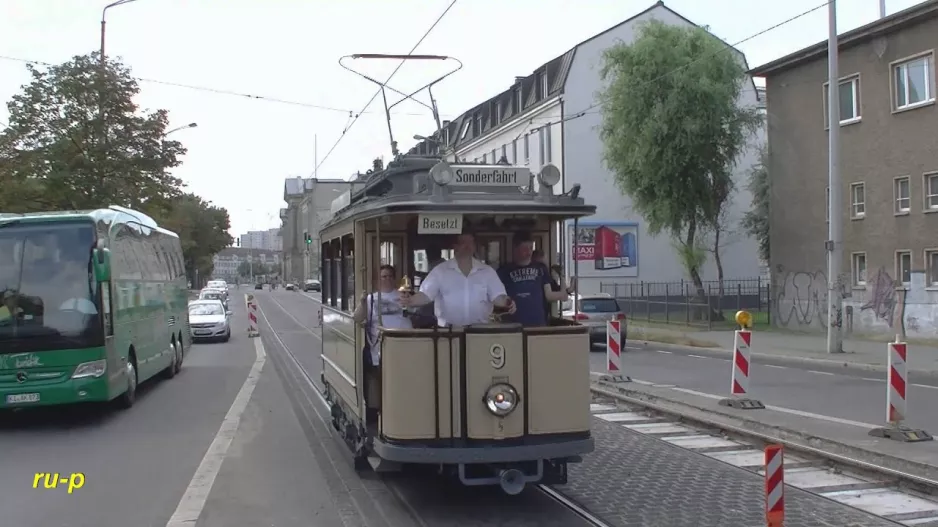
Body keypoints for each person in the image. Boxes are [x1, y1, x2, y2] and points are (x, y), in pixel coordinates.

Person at [400, 231, 515, 325]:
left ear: (475, 246)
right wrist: (410, 300)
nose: (467, 246)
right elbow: (425, 295)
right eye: (463, 242)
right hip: (448, 334)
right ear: (455, 247)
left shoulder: (487, 272)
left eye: (471, 242)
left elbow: (498, 297)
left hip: (480, 333)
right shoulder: (440, 271)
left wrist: (508, 302)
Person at [498, 233, 574, 327]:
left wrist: (563, 283)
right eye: (525, 249)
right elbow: (498, 297)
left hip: (538, 323)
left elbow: (549, 295)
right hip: (512, 324)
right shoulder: (504, 271)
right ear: (515, 248)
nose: (529, 252)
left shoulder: (541, 268)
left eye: (531, 248)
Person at [353, 264, 412, 367]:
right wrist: (362, 302)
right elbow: (357, 318)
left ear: (394, 279)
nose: (387, 279)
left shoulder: (404, 296)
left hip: (404, 346)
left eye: (390, 276)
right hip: (381, 349)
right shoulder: (371, 299)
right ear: (378, 280)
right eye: (384, 276)